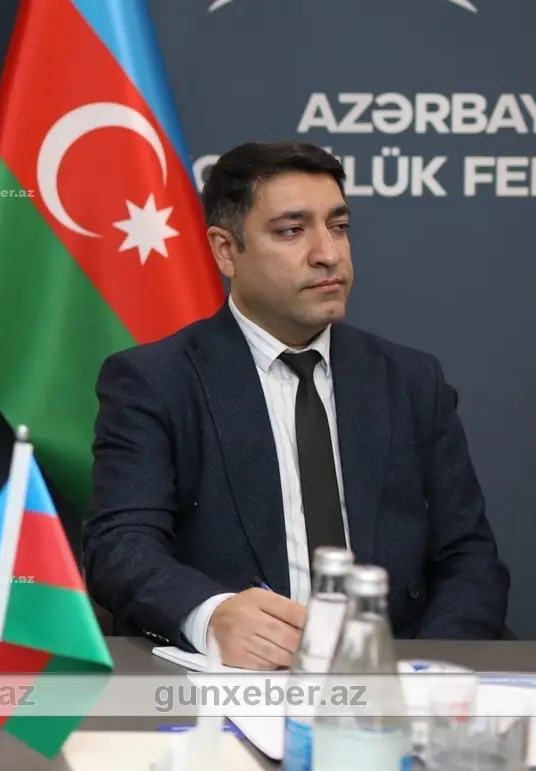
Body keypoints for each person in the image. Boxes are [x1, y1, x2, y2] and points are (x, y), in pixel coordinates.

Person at [84, 141, 510, 669]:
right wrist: (211, 616)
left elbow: (470, 560)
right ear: (225, 250)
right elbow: (121, 545)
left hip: (394, 678)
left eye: (338, 226)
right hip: (238, 682)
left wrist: (422, 675)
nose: (328, 253)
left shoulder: (411, 380)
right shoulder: (156, 380)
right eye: (292, 230)